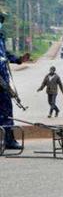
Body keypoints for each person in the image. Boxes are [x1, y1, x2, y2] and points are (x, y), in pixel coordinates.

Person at [0, 8, 30, 149]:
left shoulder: (0, 38)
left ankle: (8, 140)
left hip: (3, 82)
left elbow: (5, 55)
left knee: (6, 111)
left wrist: (18, 59)